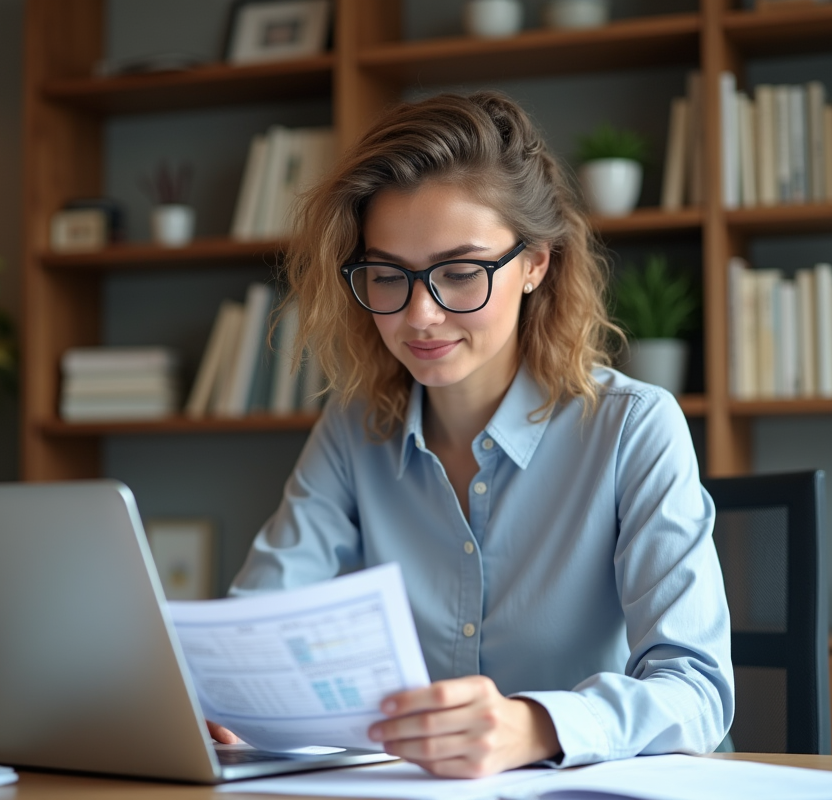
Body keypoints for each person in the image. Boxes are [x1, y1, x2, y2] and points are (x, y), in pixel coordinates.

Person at [210, 91, 733, 778]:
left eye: (460, 273)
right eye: (388, 275)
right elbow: (254, 633)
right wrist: (224, 697)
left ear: (536, 264)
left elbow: (698, 693)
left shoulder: (633, 426)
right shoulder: (352, 430)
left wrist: (535, 726)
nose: (421, 315)